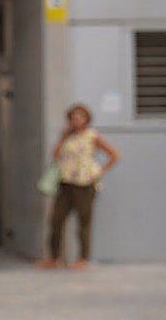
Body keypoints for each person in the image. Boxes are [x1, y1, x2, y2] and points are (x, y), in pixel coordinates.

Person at [38, 103, 120, 270]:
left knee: (84, 221)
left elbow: (114, 155)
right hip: (66, 182)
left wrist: (98, 171)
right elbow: (55, 155)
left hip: (85, 183)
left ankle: (83, 258)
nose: (76, 120)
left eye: (80, 117)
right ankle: (54, 258)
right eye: (73, 117)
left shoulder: (92, 136)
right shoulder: (67, 136)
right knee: (56, 220)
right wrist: (63, 137)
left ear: (86, 119)